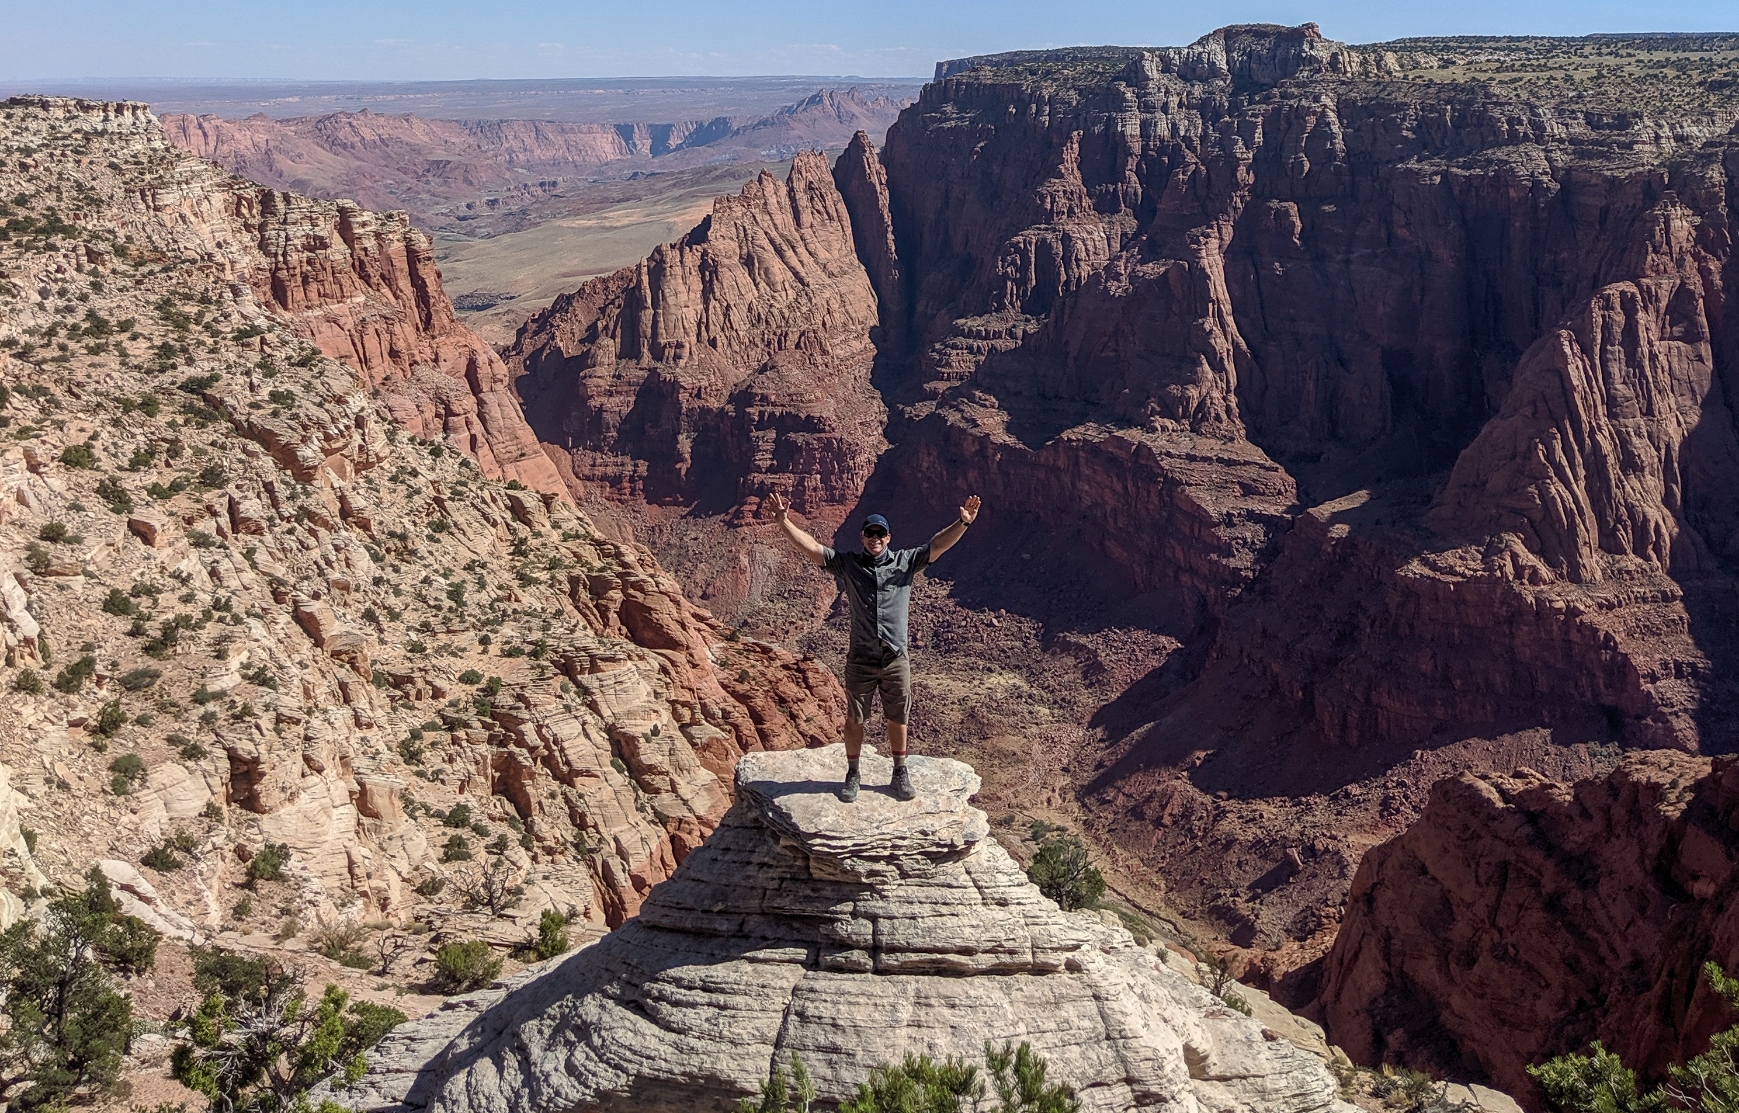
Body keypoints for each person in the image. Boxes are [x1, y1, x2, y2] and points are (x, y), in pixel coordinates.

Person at [766, 491, 983, 802]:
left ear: (888, 537)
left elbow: (936, 546)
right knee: (855, 718)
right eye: (870, 533)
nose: (875, 538)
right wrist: (784, 522)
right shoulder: (849, 565)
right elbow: (812, 548)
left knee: (899, 717)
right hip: (861, 658)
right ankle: (853, 773)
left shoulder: (905, 562)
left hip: (895, 657)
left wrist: (962, 523)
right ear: (863, 537)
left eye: (880, 533)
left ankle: (900, 772)